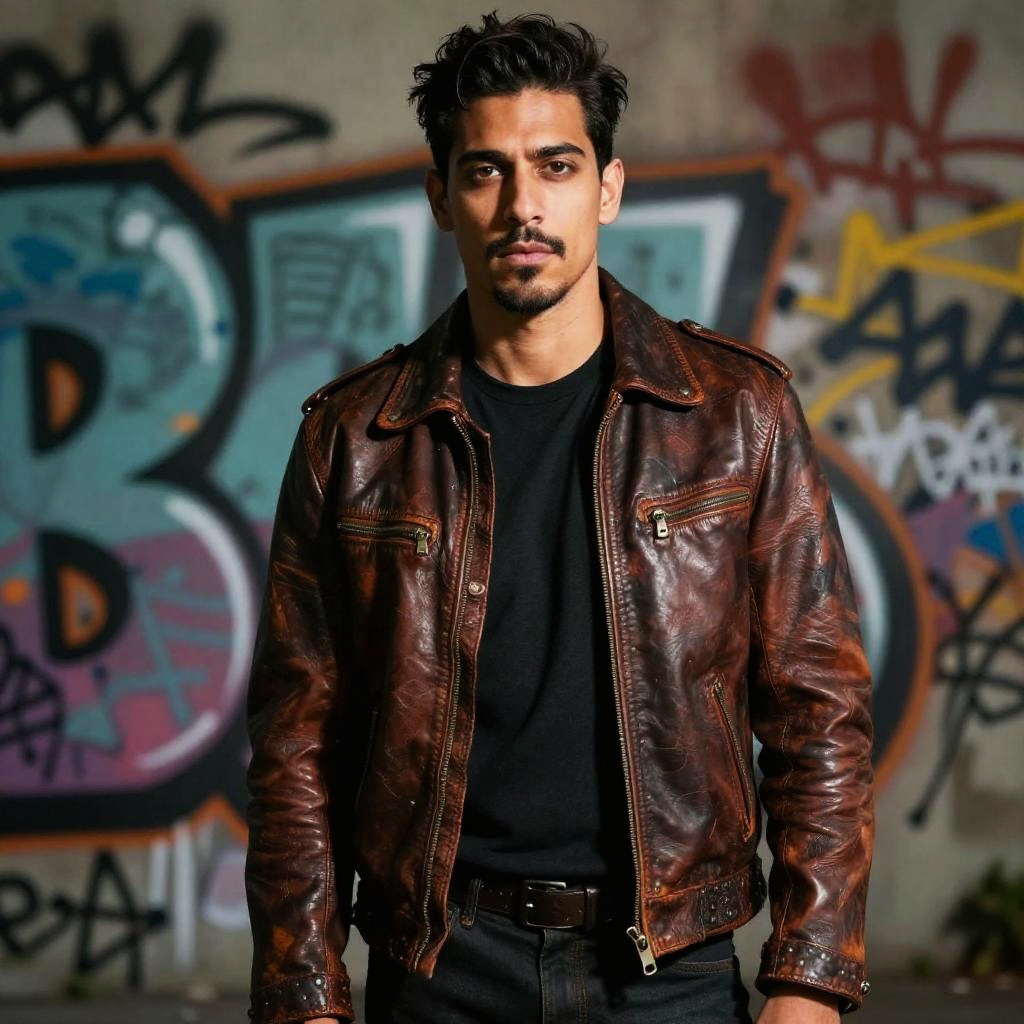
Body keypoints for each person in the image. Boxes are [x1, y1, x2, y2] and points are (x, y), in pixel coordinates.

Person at [244, 12, 875, 1024]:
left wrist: (810, 978)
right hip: (443, 966)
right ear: (440, 196)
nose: (523, 206)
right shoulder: (358, 440)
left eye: (556, 165)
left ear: (608, 188)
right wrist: (304, 995)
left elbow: (818, 711)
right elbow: (295, 746)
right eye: (486, 170)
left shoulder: (733, 415)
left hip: (669, 969)